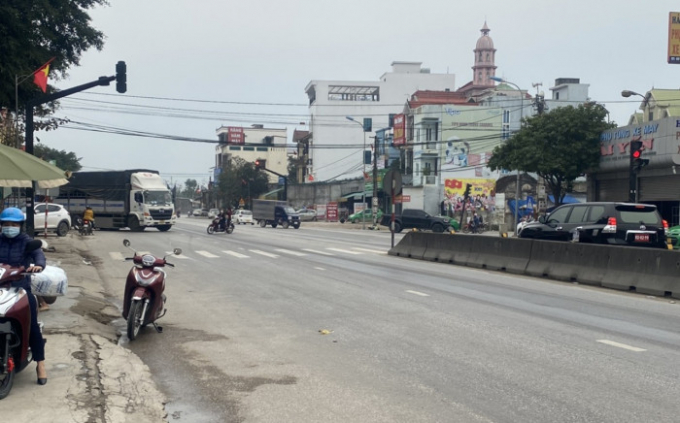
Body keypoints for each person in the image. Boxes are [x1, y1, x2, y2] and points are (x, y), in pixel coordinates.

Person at [0, 207, 47, 385]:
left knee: (31, 325)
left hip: (19, 289)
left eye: (13, 224)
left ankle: (40, 364)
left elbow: (39, 256)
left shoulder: (27, 241)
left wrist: (38, 265)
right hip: (0, 286)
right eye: (6, 224)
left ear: (20, 225)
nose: (9, 227)